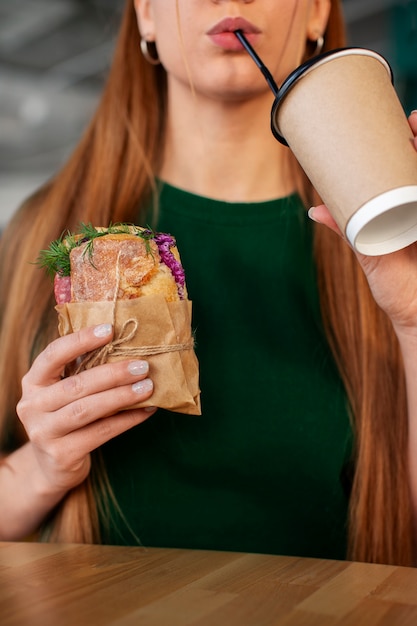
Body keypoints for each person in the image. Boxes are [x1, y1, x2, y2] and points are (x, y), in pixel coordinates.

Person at [0, 0, 417, 566]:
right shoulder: (42, 233)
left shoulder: (387, 240)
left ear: (317, 13)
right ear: (145, 15)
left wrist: (413, 321)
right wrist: (41, 468)